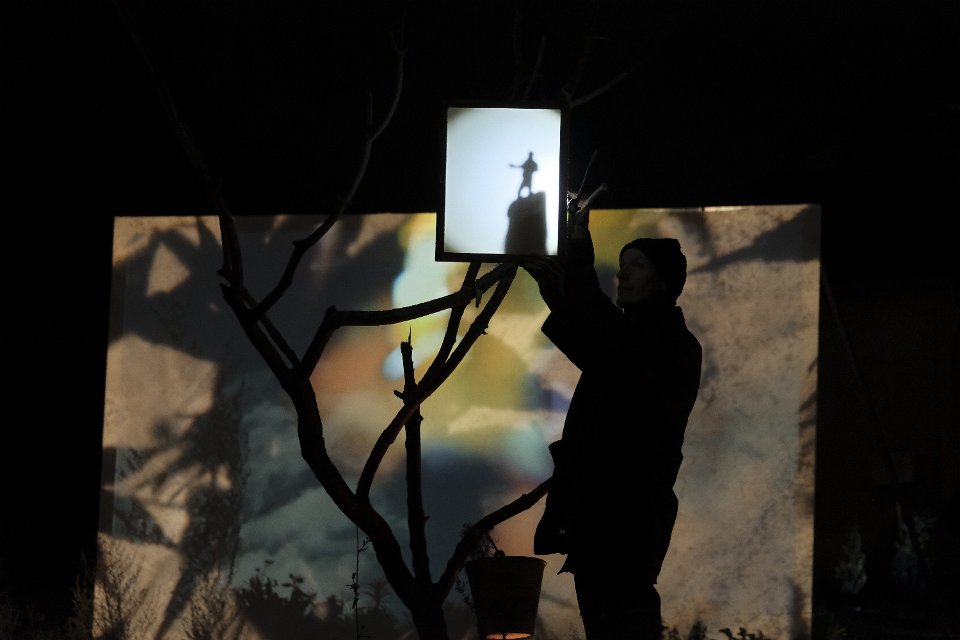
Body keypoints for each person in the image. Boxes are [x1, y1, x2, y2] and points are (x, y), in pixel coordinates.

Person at [521, 206, 702, 639]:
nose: (621, 274)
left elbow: (611, 351)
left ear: (663, 280)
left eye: (635, 265)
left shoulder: (673, 345)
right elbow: (604, 338)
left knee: (623, 620)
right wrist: (569, 279)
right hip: (601, 519)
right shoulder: (635, 338)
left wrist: (571, 277)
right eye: (622, 265)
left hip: (626, 520)